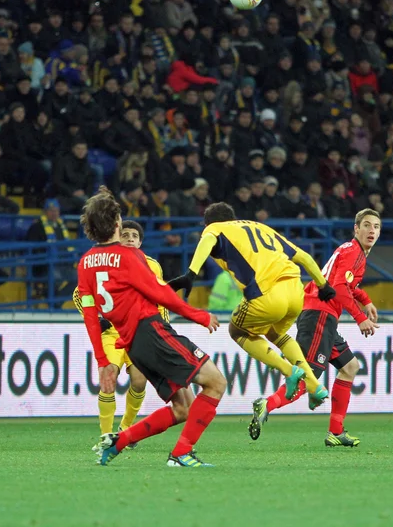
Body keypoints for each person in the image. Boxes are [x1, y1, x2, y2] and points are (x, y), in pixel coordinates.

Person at [77, 187, 225, 468]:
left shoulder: (85, 264)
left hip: (134, 344)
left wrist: (102, 360)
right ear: (117, 224)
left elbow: (88, 312)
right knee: (216, 383)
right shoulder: (128, 257)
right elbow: (160, 294)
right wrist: (198, 315)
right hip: (152, 331)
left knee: (183, 408)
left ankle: (118, 441)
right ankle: (181, 454)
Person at [168, 202, 336, 410]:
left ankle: (288, 370)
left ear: (207, 223)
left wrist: (191, 273)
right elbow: (304, 257)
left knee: (237, 330)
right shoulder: (261, 227)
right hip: (295, 291)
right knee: (276, 334)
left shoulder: (215, 228)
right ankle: (314, 385)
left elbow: (209, 238)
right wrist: (323, 284)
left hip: (267, 294)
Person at [249, 208, 381, 447]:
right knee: (308, 378)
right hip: (319, 314)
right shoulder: (355, 254)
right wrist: (360, 317)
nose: (372, 230)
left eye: (376, 227)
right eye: (367, 225)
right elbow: (339, 288)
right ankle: (267, 404)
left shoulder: (351, 251)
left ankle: (336, 432)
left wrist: (365, 299)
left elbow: (345, 284)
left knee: (350, 366)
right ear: (356, 229)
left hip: (321, 314)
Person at [72, 220, 194, 439]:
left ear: (140, 241)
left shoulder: (152, 265)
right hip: (112, 333)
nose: (129, 238)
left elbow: (159, 297)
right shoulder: (107, 259)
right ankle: (105, 436)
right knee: (109, 378)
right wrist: (95, 318)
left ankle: (125, 428)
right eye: (125, 234)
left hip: (140, 331)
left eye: (134, 236)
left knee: (138, 381)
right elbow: (78, 293)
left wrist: (163, 327)